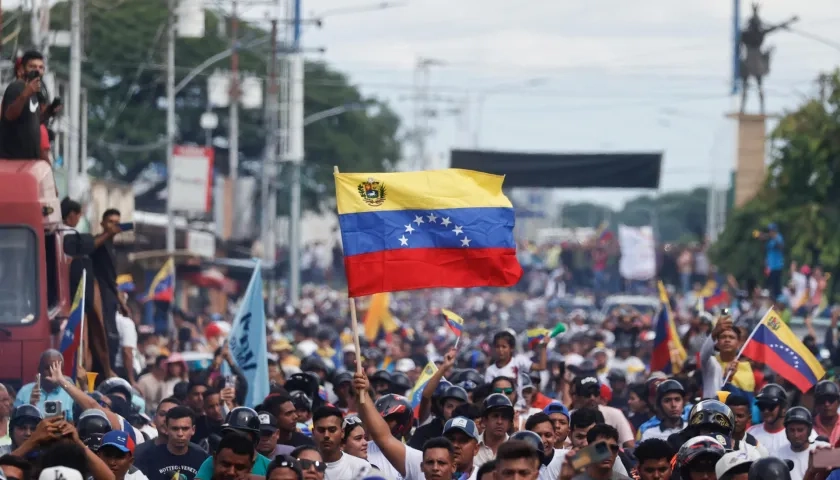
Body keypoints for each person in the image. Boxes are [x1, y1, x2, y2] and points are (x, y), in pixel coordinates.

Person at [134, 406, 208, 480]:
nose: (180, 434)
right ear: (166, 429)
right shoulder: (147, 458)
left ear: (193, 430)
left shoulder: (202, 458)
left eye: (185, 429)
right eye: (175, 429)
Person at [0, 50, 45, 159]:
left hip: (29, 161)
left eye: (40, 67)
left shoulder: (35, 92)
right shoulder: (16, 87)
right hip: (13, 161)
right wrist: (26, 94)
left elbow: (35, 121)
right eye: (32, 66)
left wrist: (51, 111)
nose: (37, 70)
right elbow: (9, 115)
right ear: (22, 69)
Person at [310, 406, 370, 480]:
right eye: (321, 430)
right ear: (313, 433)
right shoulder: (304, 468)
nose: (326, 435)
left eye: (332, 430)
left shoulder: (361, 468)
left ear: (342, 433)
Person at [13, 350, 74, 420]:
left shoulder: (69, 394)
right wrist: (31, 406)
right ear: (39, 369)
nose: (52, 372)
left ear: (63, 372)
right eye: (47, 368)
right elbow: (14, 423)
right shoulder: (24, 392)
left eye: (56, 368)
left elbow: (73, 425)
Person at [777, 407, 828, 480]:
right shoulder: (777, 455)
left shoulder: (823, 449)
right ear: (786, 431)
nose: (796, 435)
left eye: (800, 430)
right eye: (791, 430)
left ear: (809, 430)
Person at [474, 394, 514, 469]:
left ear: (509, 423)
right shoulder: (472, 446)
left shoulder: (515, 449)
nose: (499, 422)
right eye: (495, 416)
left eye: (504, 417)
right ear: (484, 420)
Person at [758, 223, 785, 298]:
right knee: (769, 287)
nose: (770, 232)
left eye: (771, 230)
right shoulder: (770, 241)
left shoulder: (778, 237)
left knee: (776, 287)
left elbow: (781, 247)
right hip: (770, 268)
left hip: (777, 266)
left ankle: (779, 301)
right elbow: (766, 251)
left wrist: (773, 237)